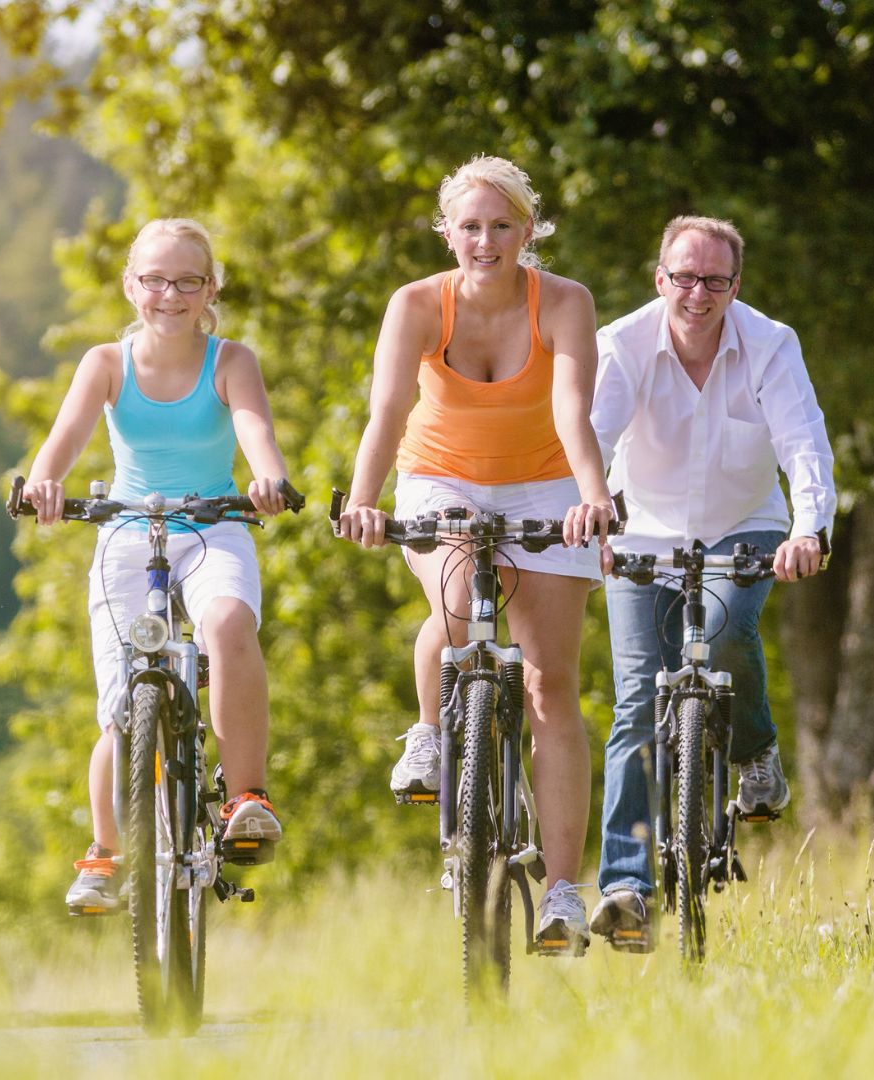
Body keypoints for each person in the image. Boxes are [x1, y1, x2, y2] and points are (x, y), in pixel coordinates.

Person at [335, 156, 614, 953]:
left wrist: (592, 497)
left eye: (502, 226)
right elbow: (387, 408)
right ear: (447, 231)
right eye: (470, 226)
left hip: (542, 483)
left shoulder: (563, 303)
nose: (485, 241)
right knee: (455, 600)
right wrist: (362, 498)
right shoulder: (418, 304)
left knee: (550, 681)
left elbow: (572, 412)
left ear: (529, 230)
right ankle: (429, 732)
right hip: (440, 474)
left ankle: (562, 889)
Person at [19, 219, 294, 916]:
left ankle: (246, 799)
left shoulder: (231, 360)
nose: (170, 295)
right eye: (155, 280)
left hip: (214, 525)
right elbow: (65, 438)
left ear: (211, 289)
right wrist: (44, 482)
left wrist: (267, 477)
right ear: (130, 286)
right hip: (127, 532)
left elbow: (254, 429)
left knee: (229, 623)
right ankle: (105, 851)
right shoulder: (106, 363)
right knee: (122, 708)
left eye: (188, 281)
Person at [586, 215, 837, 950]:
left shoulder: (770, 344)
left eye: (715, 281)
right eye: (684, 277)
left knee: (728, 629)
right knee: (636, 700)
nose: (698, 293)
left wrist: (808, 530)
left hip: (746, 529)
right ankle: (626, 884)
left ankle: (755, 750)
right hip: (640, 536)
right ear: (659, 278)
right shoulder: (622, 345)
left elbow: (804, 445)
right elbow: (592, 441)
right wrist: (590, 519)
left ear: (736, 286)